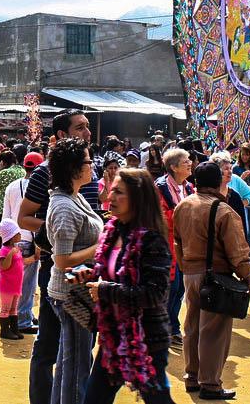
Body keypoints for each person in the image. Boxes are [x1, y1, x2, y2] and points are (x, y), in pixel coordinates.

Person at [16, 110, 97, 404]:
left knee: (78, 351)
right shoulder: (45, 174)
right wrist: (62, 232)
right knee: (50, 345)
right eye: (80, 128)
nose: (88, 133)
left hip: (86, 276)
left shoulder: (89, 171)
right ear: (62, 136)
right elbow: (24, 217)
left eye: (88, 127)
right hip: (59, 271)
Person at [75, 168, 174, 404]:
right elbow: (114, 273)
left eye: (118, 192)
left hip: (146, 339)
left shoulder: (152, 240)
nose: (110, 196)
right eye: (111, 190)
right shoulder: (112, 231)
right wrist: (89, 275)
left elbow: (155, 293)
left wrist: (106, 290)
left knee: (158, 399)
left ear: (137, 198)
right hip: (113, 335)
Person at [173, 161, 250, 400]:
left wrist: (184, 266)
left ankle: (192, 376)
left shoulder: (183, 205)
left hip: (190, 272)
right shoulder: (224, 211)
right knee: (214, 332)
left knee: (192, 326)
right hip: (216, 277)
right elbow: (238, 252)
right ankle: (210, 383)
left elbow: (177, 241)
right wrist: (247, 277)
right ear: (218, 181)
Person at [46, 137, 104, 404]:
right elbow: (62, 260)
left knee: (70, 360)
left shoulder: (74, 197)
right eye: (88, 161)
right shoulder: (64, 206)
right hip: (72, 294)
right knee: (77, 364)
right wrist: (101, 246)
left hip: (78, 289)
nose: (93, 166)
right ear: (73, 168)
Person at [3, 150, 44, 334]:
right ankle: (23, 320)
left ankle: (17, 316)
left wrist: (6, 244)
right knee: (27, 284)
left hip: (12, 239)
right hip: (30, 239)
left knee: (13, 283)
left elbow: (5, 217)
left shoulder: (12, 186)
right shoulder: (41, 188)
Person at [155, 147, 193, 347]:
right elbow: (161, 219)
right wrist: (185, 214)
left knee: (179, 290)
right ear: (174, 167)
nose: (190, 163)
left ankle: (171, 327)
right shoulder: (160, 188)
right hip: (166, 247)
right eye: (186, 161)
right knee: (172, 288)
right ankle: (165, 329)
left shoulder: (188, 187)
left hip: (183, 247)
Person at [0, 217, 29, 340]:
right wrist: (10, 254)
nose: (20, 235)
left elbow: (21, 262)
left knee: (14, 309)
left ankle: (14, 329)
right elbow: (5, 266)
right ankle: (5, 330)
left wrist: (35, 258)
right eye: (17, 233)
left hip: (15, 285)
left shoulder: (16, 249)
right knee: (6, 308)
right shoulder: (4, 250)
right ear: (11, 236)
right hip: (6, 285)